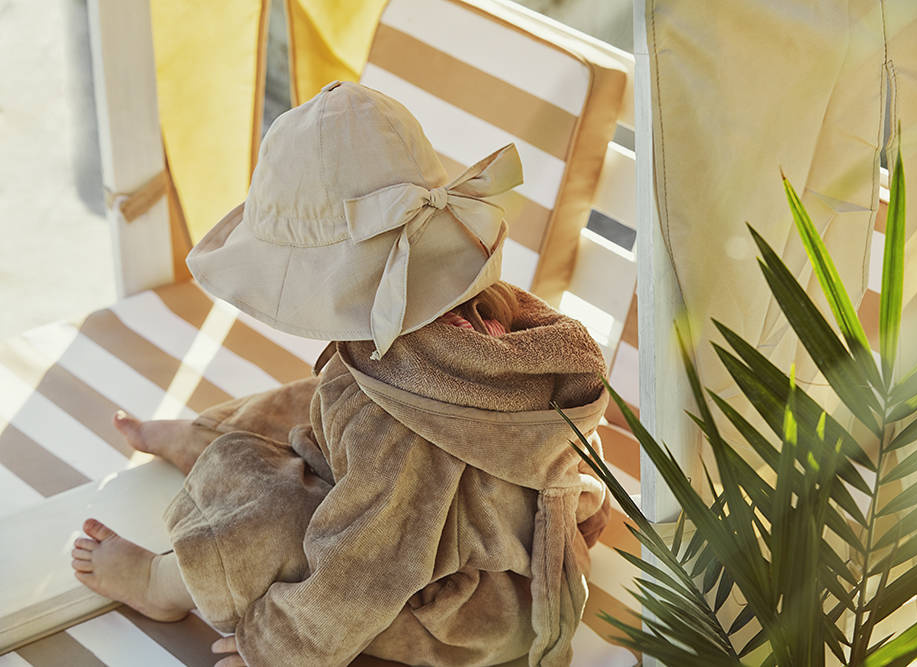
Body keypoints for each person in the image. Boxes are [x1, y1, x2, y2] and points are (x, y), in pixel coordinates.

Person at [69, 81, 611, 667]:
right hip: (512, 541)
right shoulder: (462, 330)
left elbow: (370, 560)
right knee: (312, 408)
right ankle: (198, 438)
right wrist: (206, 431)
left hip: (467, 608)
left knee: (262, 501)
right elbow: (321, 401)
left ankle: (160, 585)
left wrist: (276, 650)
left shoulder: (399, 421)